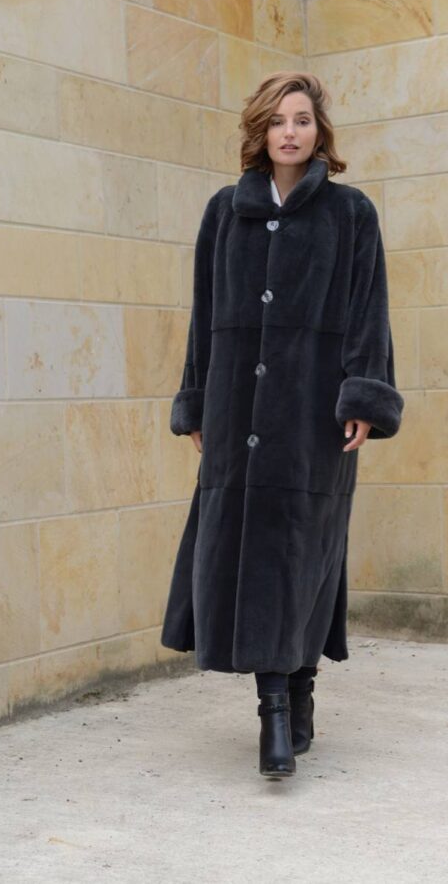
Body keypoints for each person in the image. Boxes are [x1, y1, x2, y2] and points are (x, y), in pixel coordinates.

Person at [161, 71, 404, 779]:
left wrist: (363, 396)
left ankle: (299, 689)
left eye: (300, 119)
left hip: (314, 415)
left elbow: (369, 309)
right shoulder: (224, 212)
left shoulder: (350, 213)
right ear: (259, 132)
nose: (289, 132)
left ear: (318, 130)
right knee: (250, 550)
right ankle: (273, 711)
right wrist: (197, 401)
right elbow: (204, 316)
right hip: (237, 411)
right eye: (276, 121)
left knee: (304, 552)